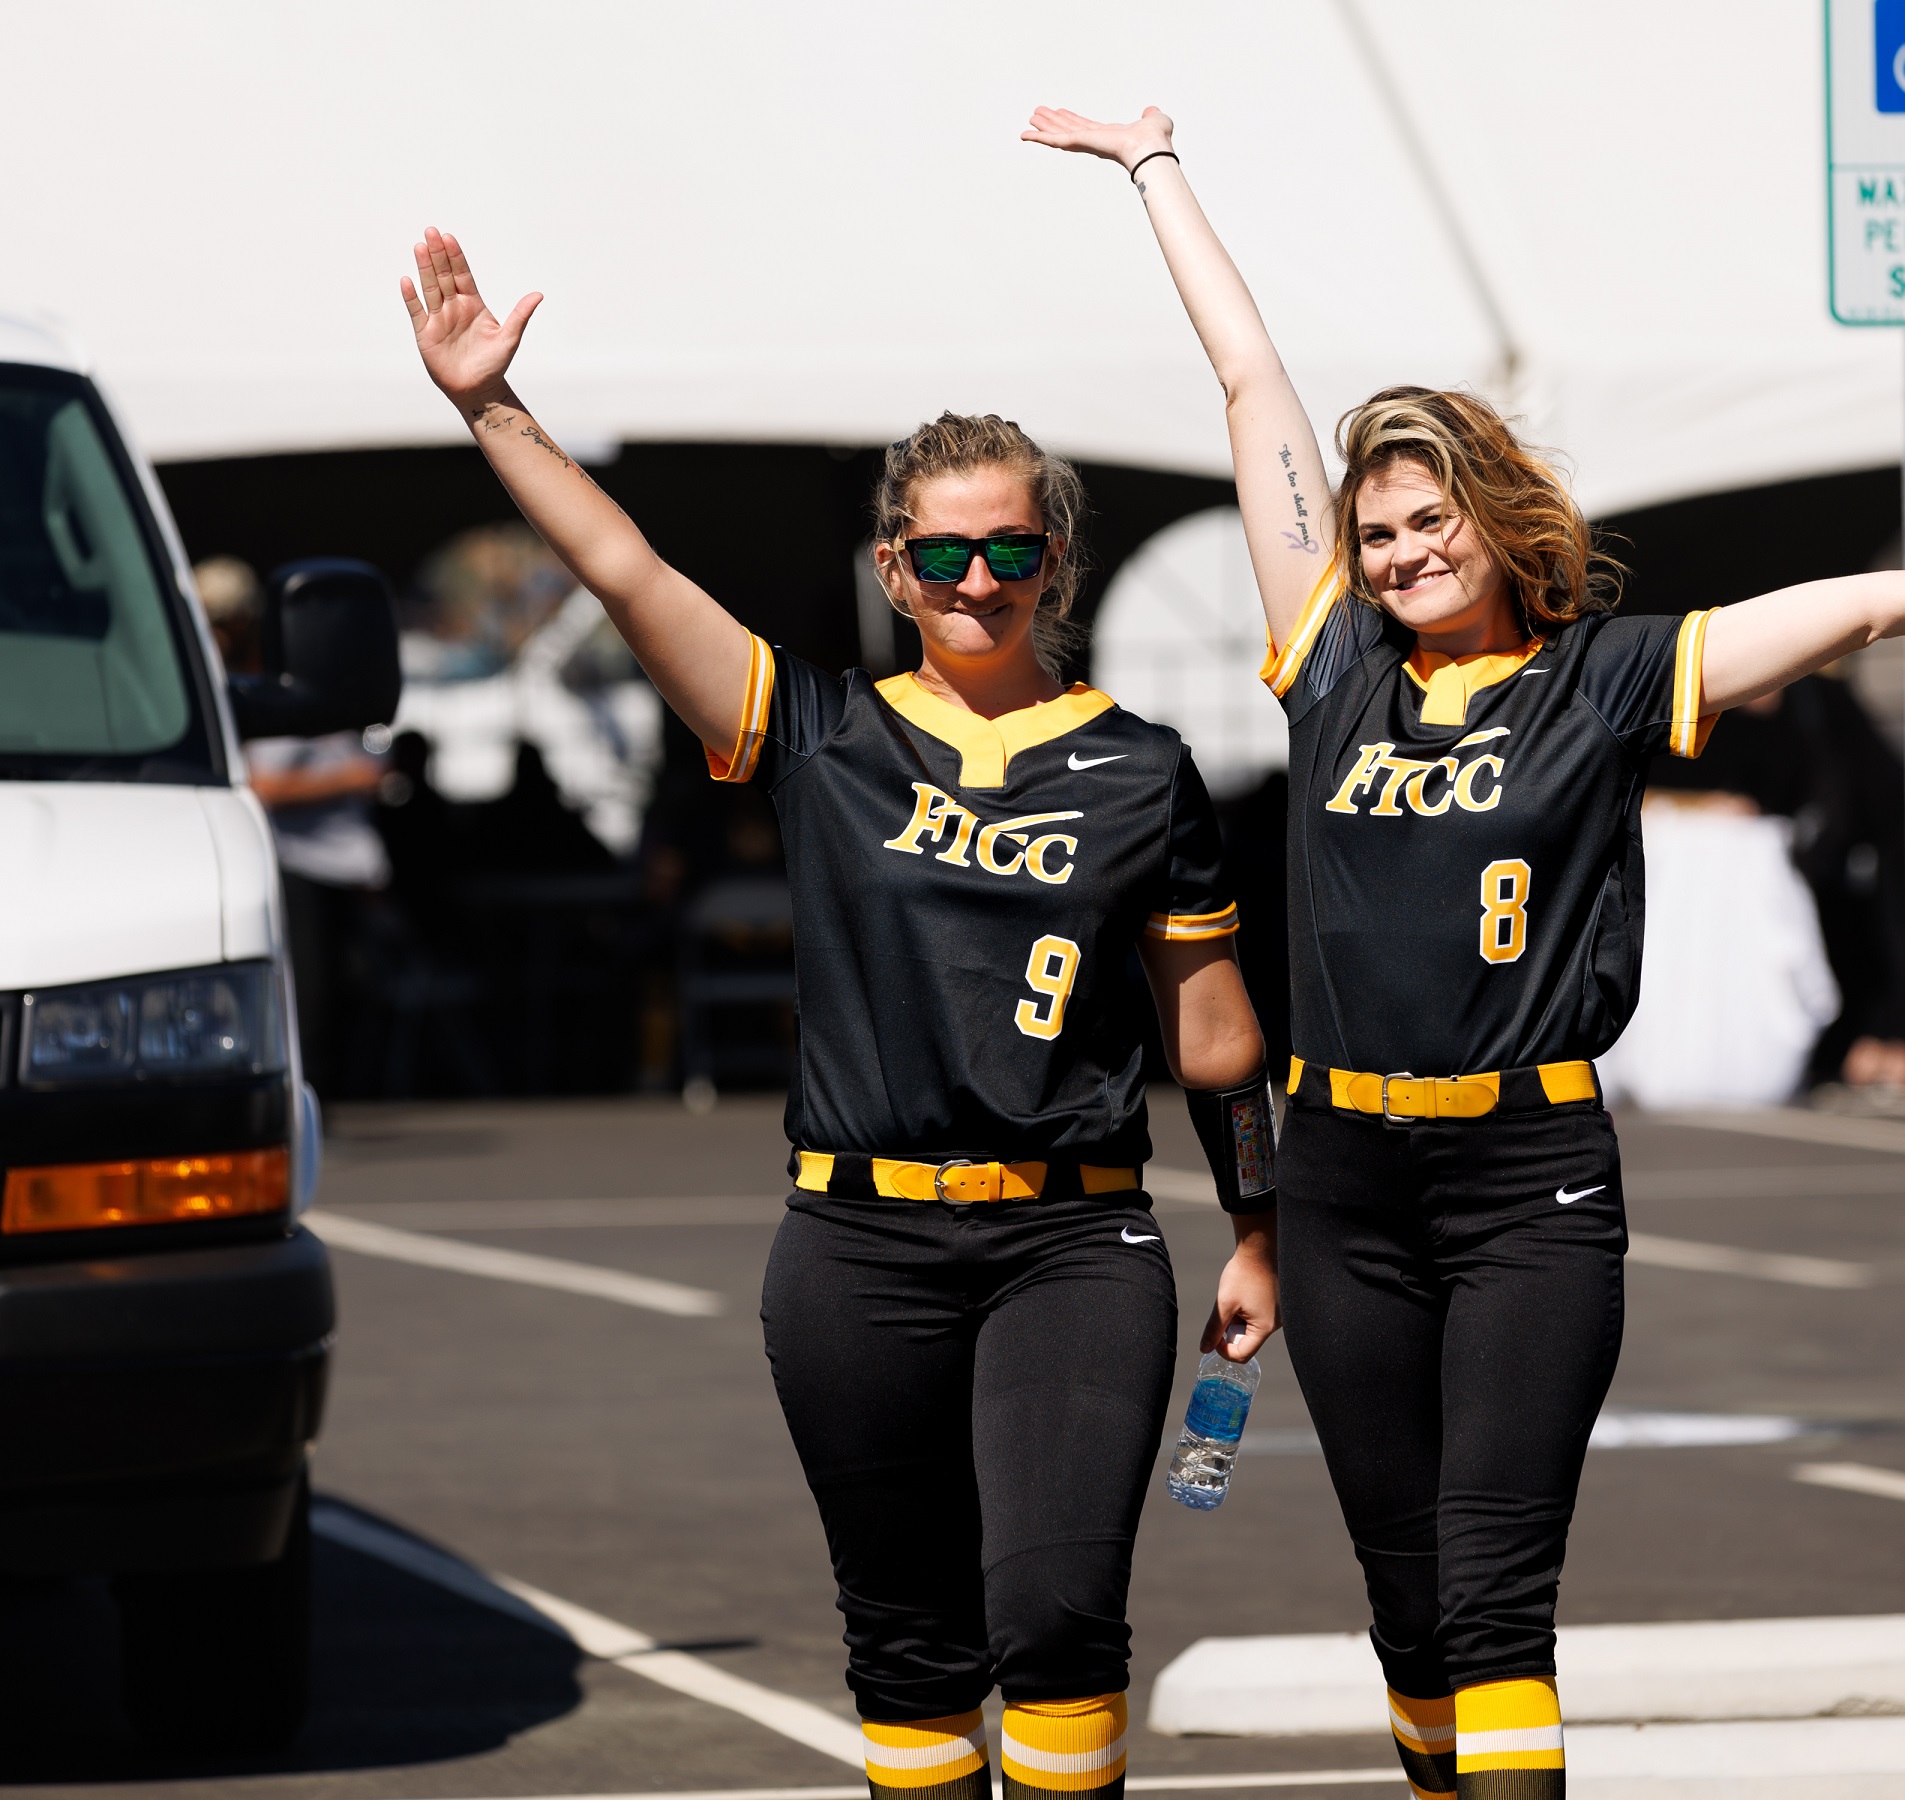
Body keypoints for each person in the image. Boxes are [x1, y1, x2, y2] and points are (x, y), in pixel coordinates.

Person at [1023, 107, 1905, 1800]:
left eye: (1428, 523)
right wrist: (1153, 169)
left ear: (1492, 516)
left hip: (1525, 1174)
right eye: (1379, 533)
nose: (1401, 556)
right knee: (1407, 1599)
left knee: (1492, 1590)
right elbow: (1252, 386)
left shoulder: (1602, 678)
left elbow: (1862, 604)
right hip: (1343, 1184)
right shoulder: (1330, 667)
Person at [399, 228, 1282, 1800]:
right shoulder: (821, 735)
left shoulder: (1144, 768)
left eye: (1010, 551)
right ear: (895, 569)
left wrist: (1264, 1227)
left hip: (1072, 1245)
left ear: (1052, 564)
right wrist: (494, 408)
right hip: (854, 1252)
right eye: (941, 556)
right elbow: (625, 571)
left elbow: (1211, 1038)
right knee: (910, 1646)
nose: (977, 582)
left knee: (1060, 1617)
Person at [199, 555, 391, 1087]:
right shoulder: (241, 690)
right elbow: (256, 786)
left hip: (341, 867)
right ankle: (308, 1097)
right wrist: (350, 781)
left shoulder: (301, 684)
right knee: (309, 996)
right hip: (296, 865)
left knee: (340, 992)